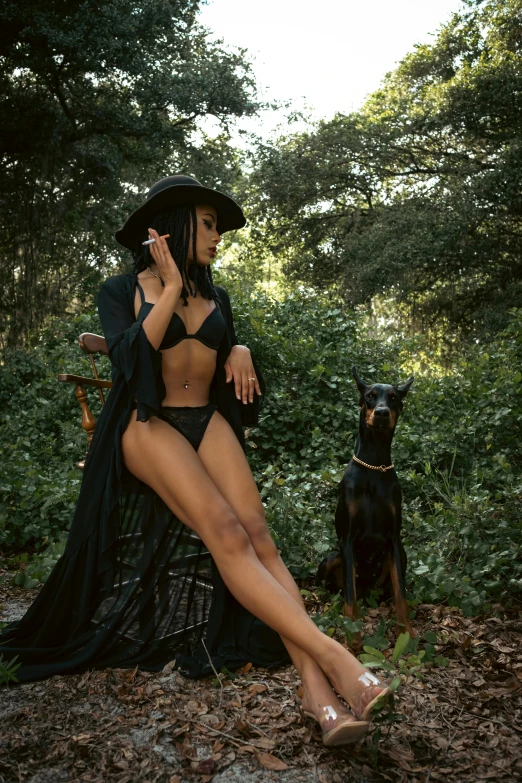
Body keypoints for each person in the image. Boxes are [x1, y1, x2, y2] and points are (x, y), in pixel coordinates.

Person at [0, 175, 389, 746]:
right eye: (209, 224)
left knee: (261, 538)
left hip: (206, 419)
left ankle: (316, 693)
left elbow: (223, 349)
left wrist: (240, 345)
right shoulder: (120, 290)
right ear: (178, 222)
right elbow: (131, 359)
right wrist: (171, 284)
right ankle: (335, 658)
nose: (218, 236)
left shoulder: (218, 296)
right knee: (227, 532)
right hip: (147, 424)